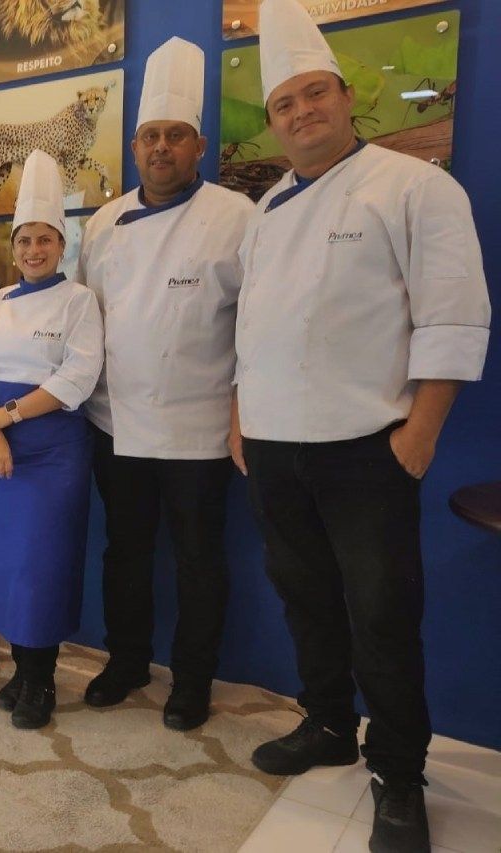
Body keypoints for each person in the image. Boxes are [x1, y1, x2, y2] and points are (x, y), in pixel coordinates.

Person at [235, 2, 490, 850]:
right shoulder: (268, 208)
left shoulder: (415, 186)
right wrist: (242, 417)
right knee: (305, 597)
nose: (301, 111)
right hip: (273, 446)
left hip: (366, 449)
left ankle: (400, 773)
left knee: (383, 614)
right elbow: (253, 328)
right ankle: (329, 722)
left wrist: (421, 432)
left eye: (315, 93)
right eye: (284, 103)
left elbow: (452, 317)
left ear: (347, 98)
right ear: (272, 122)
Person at [76, 37, 254, 731]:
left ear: (198, 146)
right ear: (134, 146)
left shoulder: (237, 217)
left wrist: (240, 417)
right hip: (115, 422)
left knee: (199, 560)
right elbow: (84, 318)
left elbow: (254, 328)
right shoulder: (104, 222)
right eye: (150, 136)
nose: (160, 148)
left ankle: (193, 680)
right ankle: (126, 660)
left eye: (175, 136)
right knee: (125, 552)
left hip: (199, 428)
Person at [0, 150, 104, 728]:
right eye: (24, 240)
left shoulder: (79, 301)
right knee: (4, 563)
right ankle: (22, 669)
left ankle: (42, 679)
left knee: (41, 563)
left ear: (62, 243)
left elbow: (78, 376)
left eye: (45, 239)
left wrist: (7, 418)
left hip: (52, 449)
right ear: (13, 247)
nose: (33, 250)